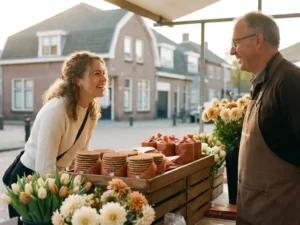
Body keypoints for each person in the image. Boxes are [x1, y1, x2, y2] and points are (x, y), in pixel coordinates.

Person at [4, 50, 108, 223]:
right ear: (77, 80)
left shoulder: (91, 111)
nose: (104, 78)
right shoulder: (55, 111)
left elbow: (80, 156)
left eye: (104, 73)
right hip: (29, 179)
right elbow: (45, 167)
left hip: (55, 180)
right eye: (97, 74)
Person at [230, 12, 300, 225]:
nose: (232, 51)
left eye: (236, 43)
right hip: (255, 214)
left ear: (258, 40)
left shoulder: (289, 81)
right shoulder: (262, 82)